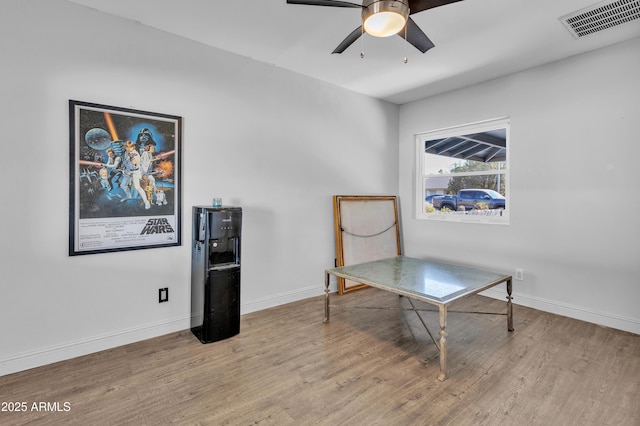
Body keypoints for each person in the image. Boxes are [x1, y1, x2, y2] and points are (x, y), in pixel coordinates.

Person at [119, 140, 150, 209]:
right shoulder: (126, 153)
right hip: (128, 171)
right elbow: (125, 161)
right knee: (123, 185)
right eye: (127, 147)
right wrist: (123, 166)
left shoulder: (136, 154)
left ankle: (146, 202)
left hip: (135, 172)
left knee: (137, 188)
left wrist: (134, 163)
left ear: (134, 147)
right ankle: (128, 196)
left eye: (130, 147)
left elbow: (136, 164)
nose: (128, 148)